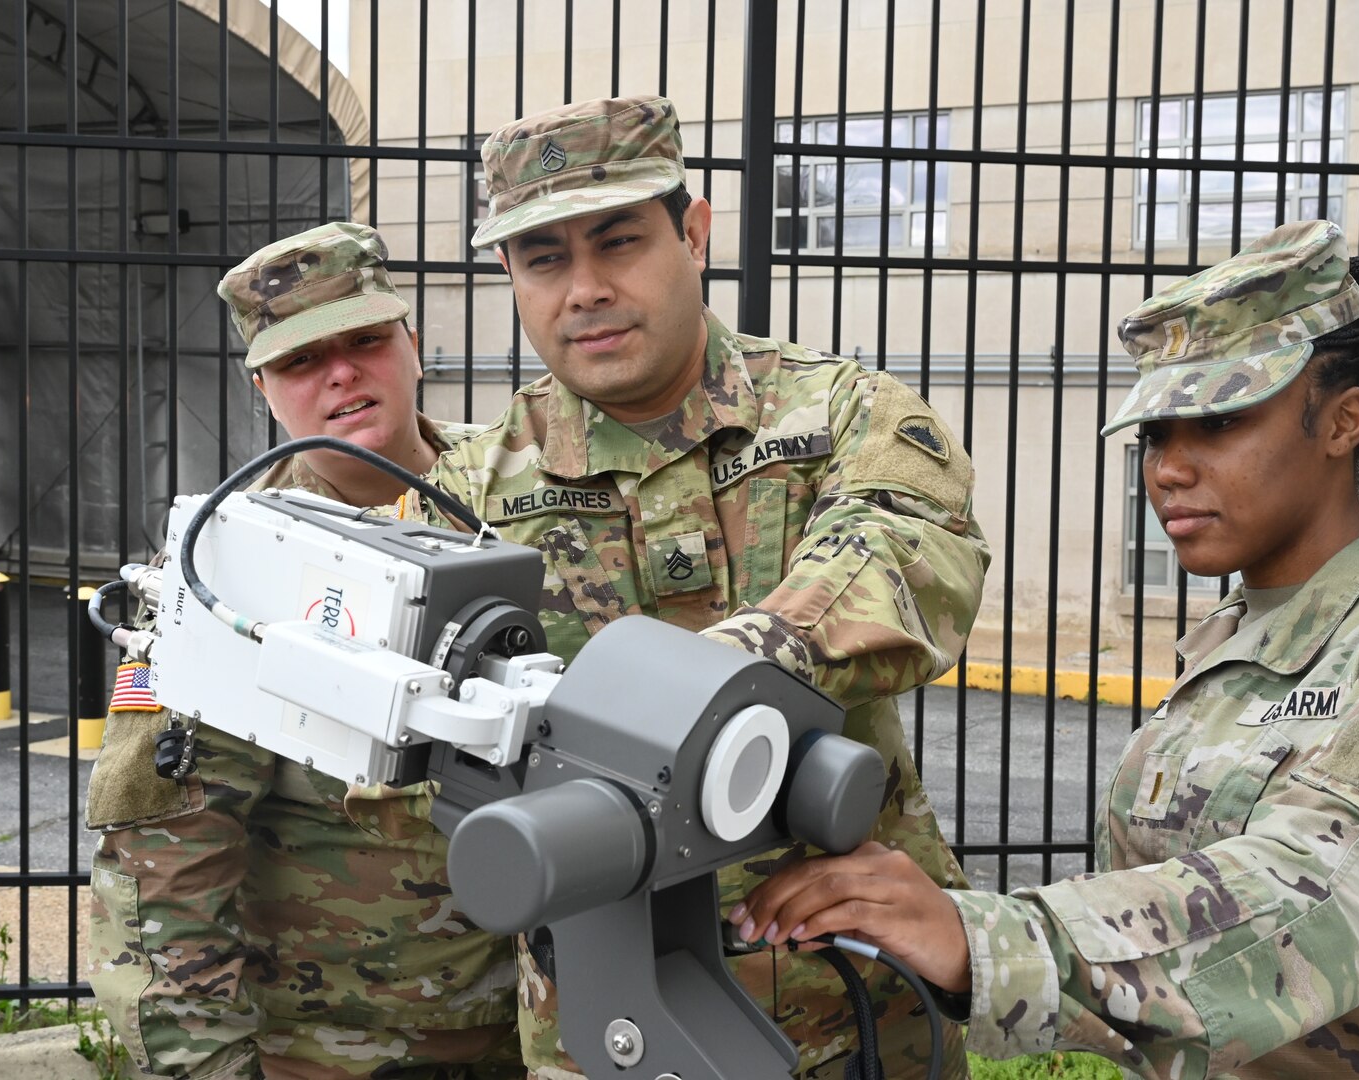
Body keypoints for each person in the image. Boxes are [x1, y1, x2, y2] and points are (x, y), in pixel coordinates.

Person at [730, 219, 1359, 1079]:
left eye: (1218, 421)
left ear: (1341, 422)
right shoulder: (1236, 637)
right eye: (1154, 433)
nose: (1167, 470)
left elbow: (1322, 898)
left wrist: (985, 938)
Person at [415, 95, 992, 1079]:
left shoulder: (839, 411)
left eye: (619, 241)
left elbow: (907, 552)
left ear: (694, 229)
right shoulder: (472, 490)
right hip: (605, 1018)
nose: (587, 289)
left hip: (858, 999)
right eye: (544, 258)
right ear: (509, 275)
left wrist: (720, 682)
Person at [85, 222, 523, 1080]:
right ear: (263, 389)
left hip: (548, 1035)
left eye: (365, 340)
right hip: (341, 1052)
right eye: (299, 362)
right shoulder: (224, 569)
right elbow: (161, 865)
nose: (341, 375)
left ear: (413, 345)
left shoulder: (526, 499)